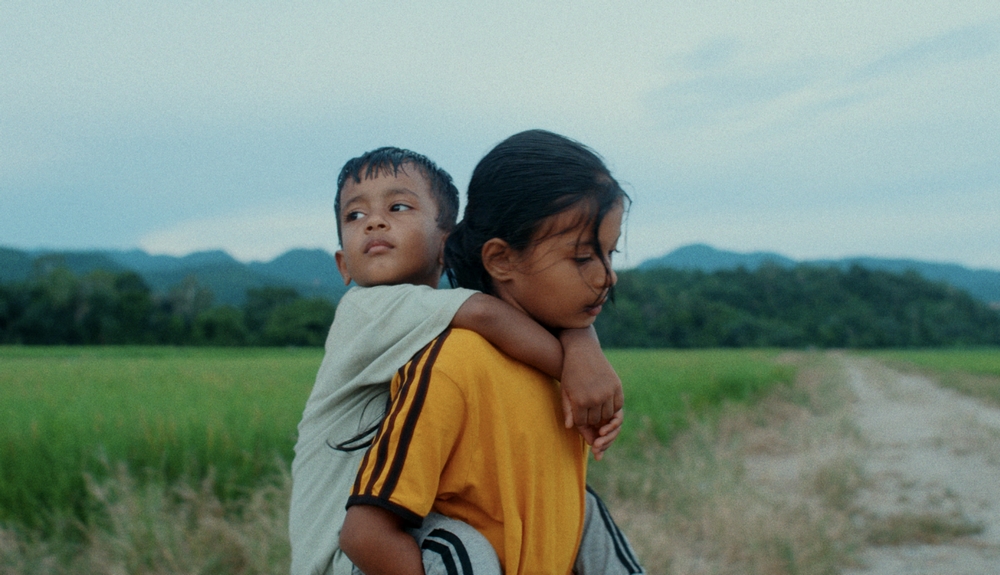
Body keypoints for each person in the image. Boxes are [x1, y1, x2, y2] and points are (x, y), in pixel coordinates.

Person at [289, 146, 625, 575]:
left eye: (398, 206)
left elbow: (523, 314)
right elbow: (489, 313)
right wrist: (579, 364)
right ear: (343, 267)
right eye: (354, 216)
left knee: (581, 507)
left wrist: (582, 338)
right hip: (345, 558)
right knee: (457, 544)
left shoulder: (436, 322)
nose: (373, 221)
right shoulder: (365, 309)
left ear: (445, 244)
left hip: (392, 532)